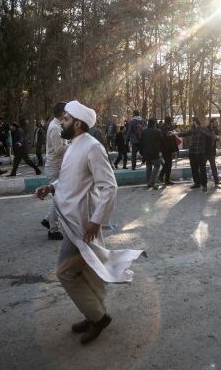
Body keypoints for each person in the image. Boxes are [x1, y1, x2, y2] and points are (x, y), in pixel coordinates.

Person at [34, 101, 145, 345]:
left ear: (77, 123)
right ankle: (93, 313)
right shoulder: (73, 146)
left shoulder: (93, 147)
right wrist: (51, 187)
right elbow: (70, 181)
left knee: (65, 272)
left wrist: (96, 222)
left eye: (65, 119)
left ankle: (99, 316)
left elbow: (109, 186)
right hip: (72, 221)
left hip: (83, 225)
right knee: (88, 270)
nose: (60, 122)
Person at [41, 102, 67, 240]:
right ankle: (53, 229)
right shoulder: (55, 129)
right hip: (55, 166)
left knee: (59, 196)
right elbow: (59, 150)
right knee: (59, 198)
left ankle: (48, 219)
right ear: (63, 113)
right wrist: (75, 145)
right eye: (67, 112)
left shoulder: (56, 126)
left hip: (56, 166)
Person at [177, 117, 215, 192]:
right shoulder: (192, 130)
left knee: (202, 169)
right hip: (192, 153)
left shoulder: (202, 129)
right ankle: (197, 183)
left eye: (191, 121)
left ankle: (204, 185)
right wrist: (174, 133)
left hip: (200, 153)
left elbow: (210, 134)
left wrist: (217, 136)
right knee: (194, 169)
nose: (190, 123)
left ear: (195, 122)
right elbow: (184, 134)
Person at [140, 118, 163, 189]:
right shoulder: (157, 131)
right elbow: (162, 141)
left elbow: (141, 142)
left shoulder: (143, 131)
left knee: (148, 166)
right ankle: (151, 182)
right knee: (157, 166)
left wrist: (142, 152)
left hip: (146, 153)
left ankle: (148, 182)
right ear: (154, 124)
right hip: (154, 152)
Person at [159, 116, 178, 185]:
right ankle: (166, 179)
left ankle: (162, 177)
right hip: (168, 148)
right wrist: (174, 149)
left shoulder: (163, 127)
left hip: (164, 148)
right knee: (168, 164)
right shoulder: (168, 127)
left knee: (167, 163)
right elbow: (171, 139)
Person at [206, 118, 221, 185]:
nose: (217, 123)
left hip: (212, 151)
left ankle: (216, 181)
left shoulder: (216, 129)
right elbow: (211, 136)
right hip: (205, 150)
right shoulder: (206, 129)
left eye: (218, 122)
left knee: (213, 166)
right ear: (211, 122)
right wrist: (216, 137)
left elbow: (216, 139)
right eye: (216, 122)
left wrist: (219, 144)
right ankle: (202, 181)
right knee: (202, 166)